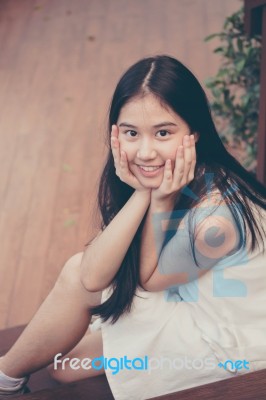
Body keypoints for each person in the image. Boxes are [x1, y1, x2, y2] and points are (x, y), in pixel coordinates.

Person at [1, 55, 266, 400]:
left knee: (67, 358)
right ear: (116, 133)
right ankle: (6, 375)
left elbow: (142, 279)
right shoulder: (173, 177)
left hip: (230, 335)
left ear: (194, 133)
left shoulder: (216, 217)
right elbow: (94, 275)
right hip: (188, 298)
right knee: (62, 366)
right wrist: (144, 193)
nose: (145, 152)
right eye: (131, 133)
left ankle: (5, 377)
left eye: (163, 132)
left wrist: (157, 200)